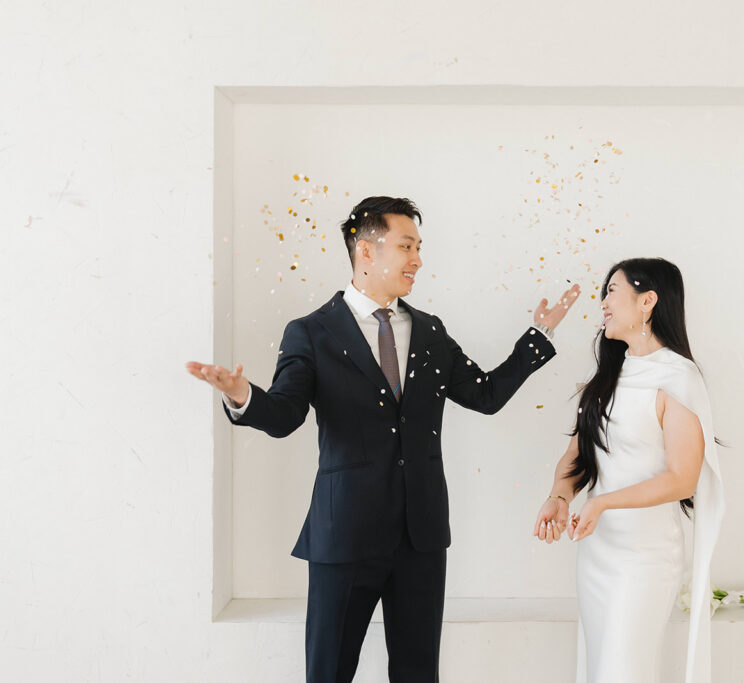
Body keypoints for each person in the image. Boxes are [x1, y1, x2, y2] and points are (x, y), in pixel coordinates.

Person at [186, 196, 581, 682]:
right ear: (366, 252)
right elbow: (285, 414)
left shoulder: (431, 331)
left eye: (419, 247)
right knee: (329, 672)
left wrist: (538, 336)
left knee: (418, 674)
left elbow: (486, 395)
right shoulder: (311, 333)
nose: (418, 259)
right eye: (406, 246)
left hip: (422, 536)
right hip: (344, 533)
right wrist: (243, 395)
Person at [533, 257, 725, 683]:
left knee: (624, 672)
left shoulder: (679, 378)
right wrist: (559, 496)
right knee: (600, 668)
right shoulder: (608, 375)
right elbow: (575, 455)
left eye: (613, 291)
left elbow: (682, 478)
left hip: (645, 557)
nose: (603, 302)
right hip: (597, 552)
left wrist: (602, 502)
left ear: (648, 301)